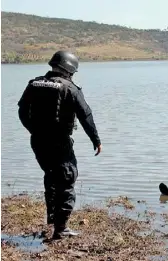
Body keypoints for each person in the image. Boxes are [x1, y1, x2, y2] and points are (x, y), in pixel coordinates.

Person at [17, 50, 102, 239]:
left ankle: (53, 220)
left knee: (51, 176)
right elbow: (85, 116)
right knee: (66, 178)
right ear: (70, 69)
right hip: (59, 142)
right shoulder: (70, 88)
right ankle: (61, 229)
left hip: (38, 142)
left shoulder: (34, 84)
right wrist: (96, 140)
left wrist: (33, 130)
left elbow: (22, 111)